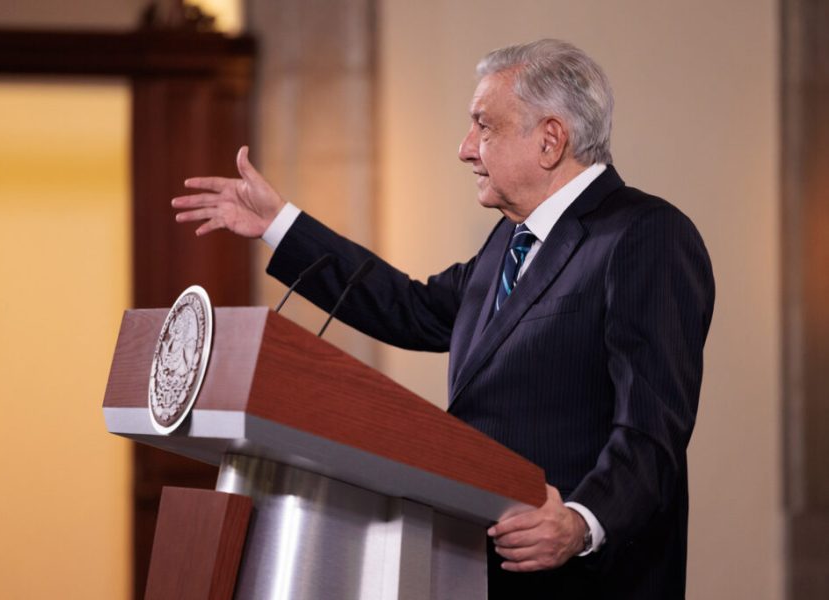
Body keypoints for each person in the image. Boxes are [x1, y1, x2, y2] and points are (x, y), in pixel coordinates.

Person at [172, 39, 715, 599]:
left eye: (484, 126)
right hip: (479, 572)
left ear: (550, 140)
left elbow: (652, 428)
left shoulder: (646, 235)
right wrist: (279, 225)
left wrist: (581, 521)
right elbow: (411, 309)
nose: (465, 148)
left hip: (586, 580)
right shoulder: (510, 239)